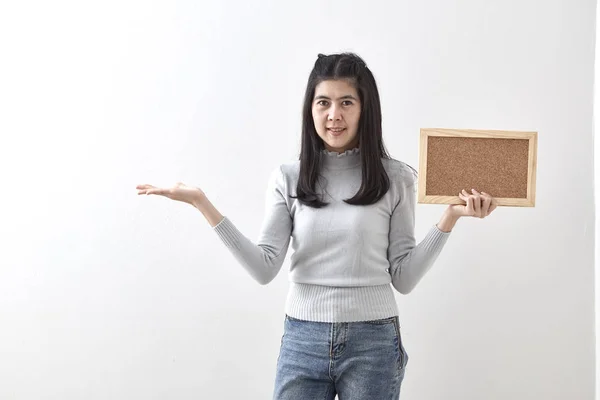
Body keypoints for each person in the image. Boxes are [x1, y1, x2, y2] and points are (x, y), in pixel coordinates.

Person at [136, 52, 497, 400]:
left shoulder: (396, 178)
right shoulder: (287, 178)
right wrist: (202, 202)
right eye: (323, 102)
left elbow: (403, 278)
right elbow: (264, 268)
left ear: (365, 109)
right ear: (310, 108)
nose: (333, 115)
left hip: (373, 342)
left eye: (346, 102)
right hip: (302, 339)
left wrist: (449, 219)